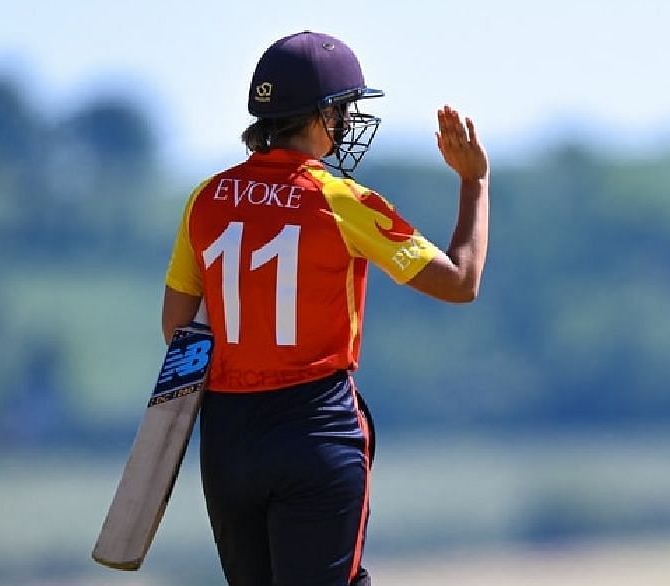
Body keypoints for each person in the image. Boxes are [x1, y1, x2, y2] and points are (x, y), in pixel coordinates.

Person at [160, 31, 490, 585]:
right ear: (320, 117)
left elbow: (178, 327)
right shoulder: (341, 200)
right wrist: (474, 183)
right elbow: (460, 281)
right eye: (341, 111)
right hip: (314, 428)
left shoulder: (206, 199)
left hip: (227, 439)